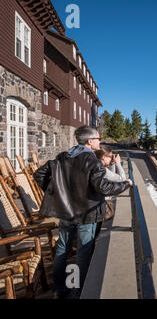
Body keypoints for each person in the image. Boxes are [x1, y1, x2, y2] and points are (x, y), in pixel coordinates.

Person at [34, 126, 132, 299]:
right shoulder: (92, 160)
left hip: (65, 211)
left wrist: (58, 193)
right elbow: (104, 187)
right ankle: (78, 290)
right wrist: (126, 184)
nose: (100, 141)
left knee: (62, 249)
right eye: (98, 138)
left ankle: (58, 289)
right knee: (83, 251)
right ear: (90, 141)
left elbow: (39, 174)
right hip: (87, 213)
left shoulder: (63, 156)